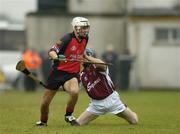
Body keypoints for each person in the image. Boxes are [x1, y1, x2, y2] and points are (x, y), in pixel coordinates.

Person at [36, 17, 90, 126]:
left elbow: (80, 51)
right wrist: (56, 57)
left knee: (75, 92)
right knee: (44, 104)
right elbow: (52, 51)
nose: (85, 30)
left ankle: (68, 115)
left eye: (86, 28)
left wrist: (85, 58)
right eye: (82, 28)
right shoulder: (67, 38)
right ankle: (43, 121)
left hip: (72, 74)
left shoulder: (86, 38)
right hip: (58, 73)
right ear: (75, 28)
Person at [76, 48, 138, 126]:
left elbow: (102, 64)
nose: (81, 59)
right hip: (96, 105)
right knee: (77, 124)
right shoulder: (82, 75)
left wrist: (86, 56)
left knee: (134, 121)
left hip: (112, 101)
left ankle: (131, 113)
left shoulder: (98, 67)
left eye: (83, 57)